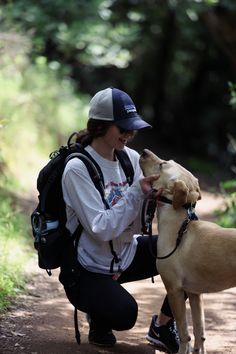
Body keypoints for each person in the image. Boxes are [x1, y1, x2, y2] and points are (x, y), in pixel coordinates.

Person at [60, 87, 179, 353]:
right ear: (100, 126)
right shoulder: (77, 168)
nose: (129, 134)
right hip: (87, 268)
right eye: (122, 128)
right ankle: (98, 310)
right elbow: (100, 229)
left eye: (132, 128)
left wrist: (151, 201)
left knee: (182, 250)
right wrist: (136, 192)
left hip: (124, 254)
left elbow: (136, 225)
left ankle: (163, 325)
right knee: (125, 314)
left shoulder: (131, 159)